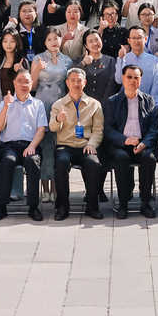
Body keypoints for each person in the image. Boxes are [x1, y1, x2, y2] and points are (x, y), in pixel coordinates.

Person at [102, 64, 158, 218]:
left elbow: (154, 128)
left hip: (142, 144)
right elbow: (107, 129)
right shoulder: (112, 101)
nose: (133, 80)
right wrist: (125, 140)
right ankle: (123, 204)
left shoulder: (149, 100)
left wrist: (144, 143)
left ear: (140, 80)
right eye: (129, 77)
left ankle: (145, 202)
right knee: (121, 158)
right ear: (123, 78)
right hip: (121, 145)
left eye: (136, 77)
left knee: (149, 158)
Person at [49, 67, 105, 219]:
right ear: (67, 83)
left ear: (84, 82)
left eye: (79, 81)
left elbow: (98, 130)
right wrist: (58, 119)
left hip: (85, 145)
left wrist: (92, 144)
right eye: (72, 81)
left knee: (93, 163)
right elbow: (52, 128)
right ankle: (62, 207)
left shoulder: (94, 104)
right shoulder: (58, 104)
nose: (76, 84)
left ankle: (92, 207)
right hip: (65, 146)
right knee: (61, 163)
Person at [0, 69, 47, 221]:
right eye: (20, 81)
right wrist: (6, 107)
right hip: (9, 146)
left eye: (27, 81)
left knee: (32, 161)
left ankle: (33, 207)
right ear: (14, 83)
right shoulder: (4, 103)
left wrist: (32, 146)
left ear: (31, 84)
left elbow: (41, 129)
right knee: (7, 161)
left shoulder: (38, 104)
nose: (23, 84)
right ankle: (2, 207)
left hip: (31, 145)